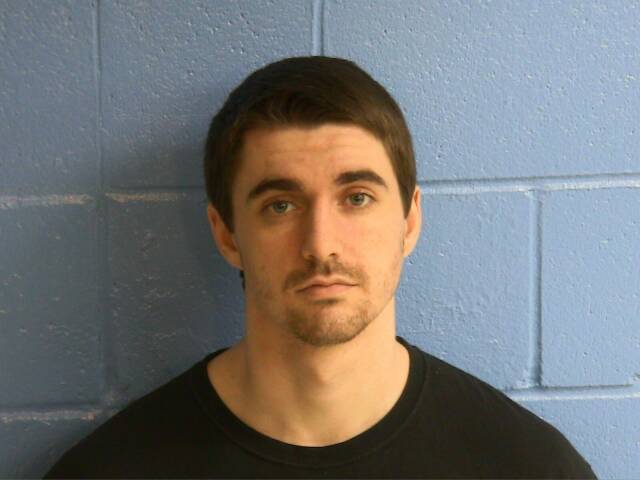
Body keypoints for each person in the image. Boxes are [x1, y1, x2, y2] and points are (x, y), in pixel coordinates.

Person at [44, 56, 597, 479]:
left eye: (356, 197)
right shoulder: (110, 470)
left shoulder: (527, 466)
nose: (321, 244)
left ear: (409, 222)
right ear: (227, 234)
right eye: (280, 206)